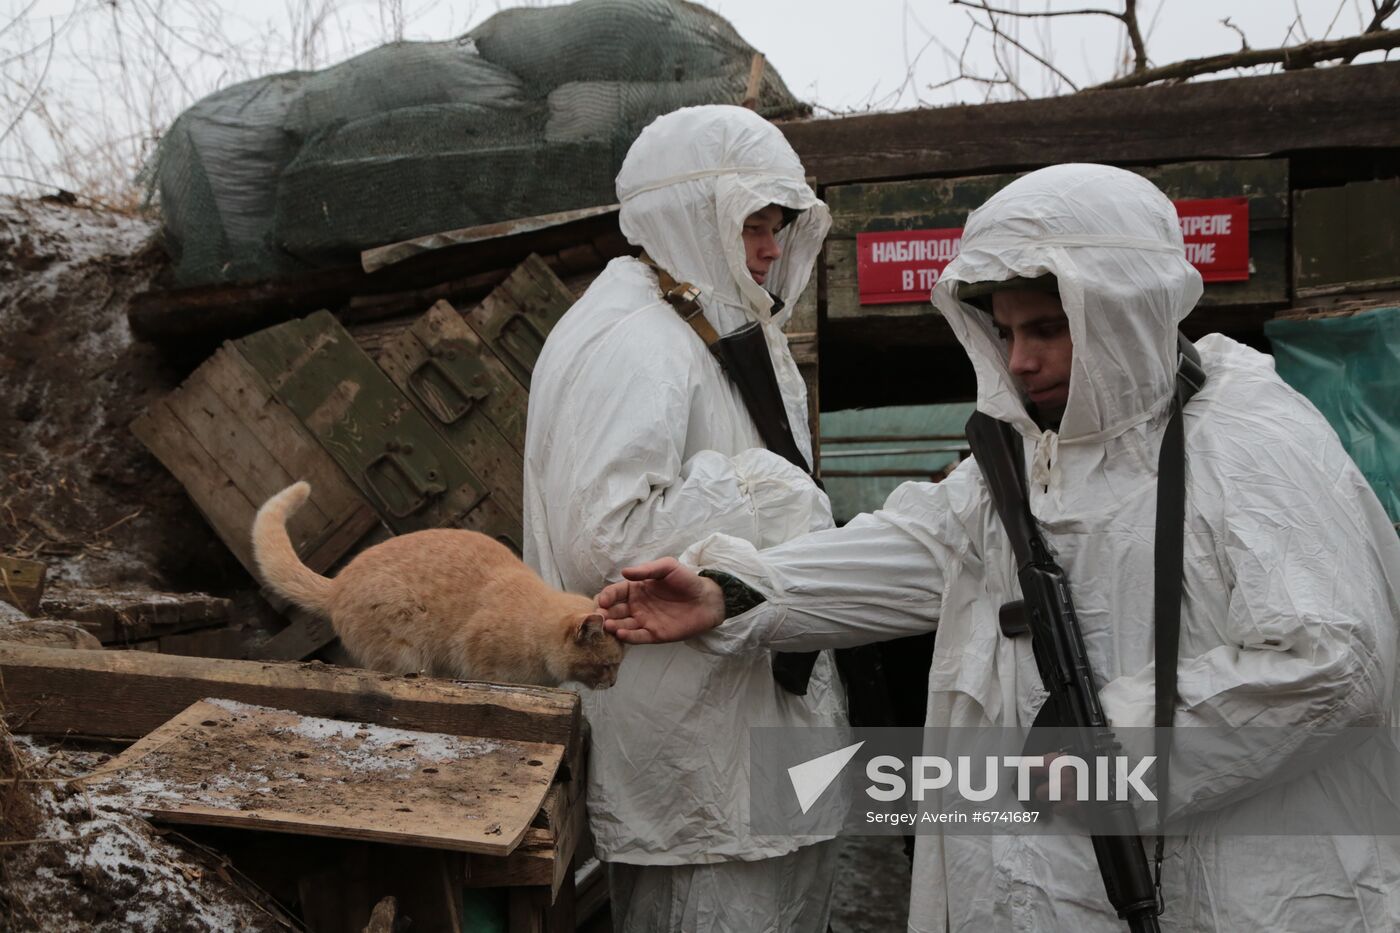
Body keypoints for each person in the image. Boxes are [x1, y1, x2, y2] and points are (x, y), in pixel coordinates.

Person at [597, 163, 1400, 932]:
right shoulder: (1024, 457)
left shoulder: (1247, 438)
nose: (1019, 359)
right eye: (1008, 329)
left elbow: (1336, 657)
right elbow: (913, 547)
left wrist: (1111, 742)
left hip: (1240, 893)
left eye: (1049, 328)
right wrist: (731, 589)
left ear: (1122, 308)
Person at [522, 105, 846, 932]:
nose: (773, 248)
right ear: (690, 213)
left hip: (750, 736)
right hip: (700, 754)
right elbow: (606, 539)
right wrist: (762, 485)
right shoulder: (635, 338)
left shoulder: (702, 323)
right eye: (753, 223)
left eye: (780, 225)